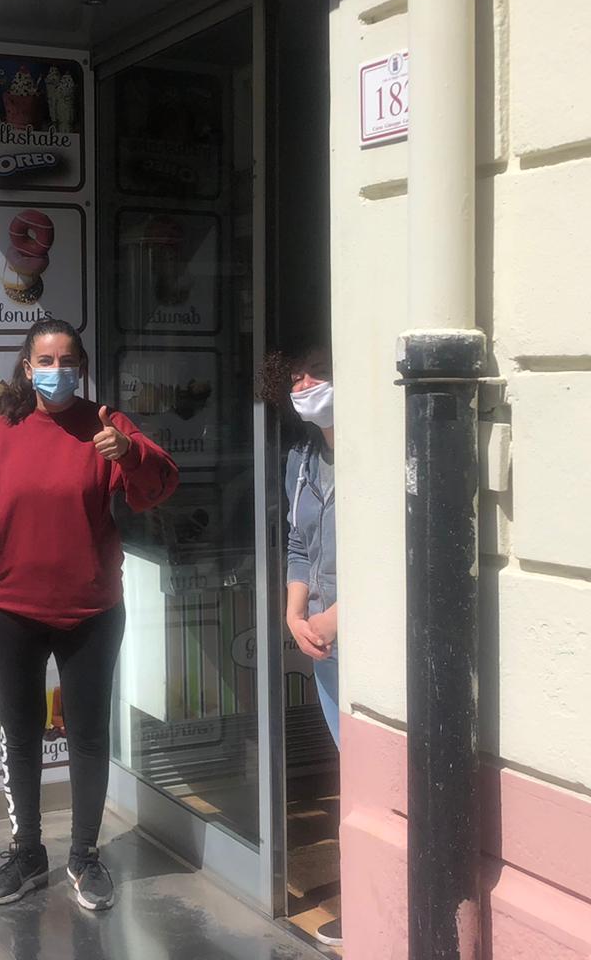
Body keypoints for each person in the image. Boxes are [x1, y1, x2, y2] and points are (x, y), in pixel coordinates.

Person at [0, 319, 179, 913]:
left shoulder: (106, 427)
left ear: (82, 367)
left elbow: (158, 486)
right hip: (11, 610)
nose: (56, 371)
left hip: (91, 611)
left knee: (89, 735)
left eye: (67, 361)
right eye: (44, 361)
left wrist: (130, 452)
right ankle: (26, 852)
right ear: (27, 369)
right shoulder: (3, 434)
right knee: (20, 734)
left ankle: (85, 855)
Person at [260, 341, 340, 949]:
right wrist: (294, 611)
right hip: (323, 641)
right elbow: (296, 543)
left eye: (318, 372)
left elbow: (397, 546)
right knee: (352, 765)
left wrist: (341, 614)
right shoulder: (302, 458)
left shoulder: (380, 451)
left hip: (367, 634)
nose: (305, 384)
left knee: (382, 774)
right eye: (295, 377)